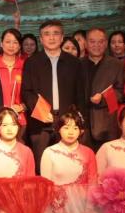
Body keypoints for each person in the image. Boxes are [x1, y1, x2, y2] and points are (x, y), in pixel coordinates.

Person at [21, 20, 88, 170]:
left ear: (62, 37)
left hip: (67, 123)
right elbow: (26, 92)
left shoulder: (74, 63)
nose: (51, 38)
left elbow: (80, 95)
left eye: (56, 33)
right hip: (40, 124)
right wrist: (41, 111)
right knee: (42, 166)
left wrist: (80, 121)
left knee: (67, 165)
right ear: (41, 39)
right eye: (47, 34)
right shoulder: (32, 63)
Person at [82, 27, 125, 148]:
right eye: (92, 41)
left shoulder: (117, 65)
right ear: (85, 43)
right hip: (82, 126)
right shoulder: (77, 64)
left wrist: (103, 98)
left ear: (106, 43)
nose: (96, 45)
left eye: (100, 41)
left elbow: (121, 93)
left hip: (106, 125)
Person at [0, 108, 35, 177]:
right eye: (5, 125)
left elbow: (31, 180)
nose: (9, 129)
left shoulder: (27, 151)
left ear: (18, 127)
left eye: (13, 124)